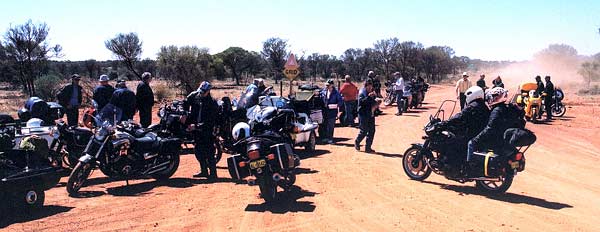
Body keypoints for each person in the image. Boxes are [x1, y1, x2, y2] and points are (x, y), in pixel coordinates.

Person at [468, 87, 523, 172]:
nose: (492, 99)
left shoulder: (496, 110)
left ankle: (470, 168)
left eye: (494, 97)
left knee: (471, 143)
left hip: (495, 138)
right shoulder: (508, 108)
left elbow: (490, 127)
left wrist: (477, 138)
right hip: (504, 138)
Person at [441, 86, 490, 164]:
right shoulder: (483, 105)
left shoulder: (473, 105)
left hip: (472, 133)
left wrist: (445, 122)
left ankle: (453, 164)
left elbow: (460, 116)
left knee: (452, 142)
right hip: (478, 131)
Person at [185, 81, 218, 179]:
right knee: (198, 151)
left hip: (206, 130)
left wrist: (196, 126)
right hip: (197, 130)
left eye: (204, 91)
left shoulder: (212, 103)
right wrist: (184, 113)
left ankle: (213, 174)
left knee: (209, 152)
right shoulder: (196, 97)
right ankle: (204, 171)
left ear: (208, 91)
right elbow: (186, 102)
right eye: (201, 91)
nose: (202, 93)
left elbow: (210, 121)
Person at [355, 80, 379, 153]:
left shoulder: (372, 93)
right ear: (365, 86)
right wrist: (369, 97)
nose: (370, 87)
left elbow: (373, 102)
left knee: (372, 131)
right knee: (364, 131)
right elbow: (362, 103)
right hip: (363, 114)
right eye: (368, 86)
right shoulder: (362, 93)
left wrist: (377, 102)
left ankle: (368, 147)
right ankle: (357, 141)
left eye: (371, 86)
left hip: (370, 114)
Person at [320, 79, 343, 144]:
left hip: (332, 111)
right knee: (325, 124)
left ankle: (330, 138)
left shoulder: (336, 93)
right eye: (326, 85)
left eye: (328, 85)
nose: (327, 86)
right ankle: (326, 138)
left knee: (331, 125)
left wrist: (335, 105)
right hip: (325, 111)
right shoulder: (324, 91)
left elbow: (340, 101)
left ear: (332, 85)